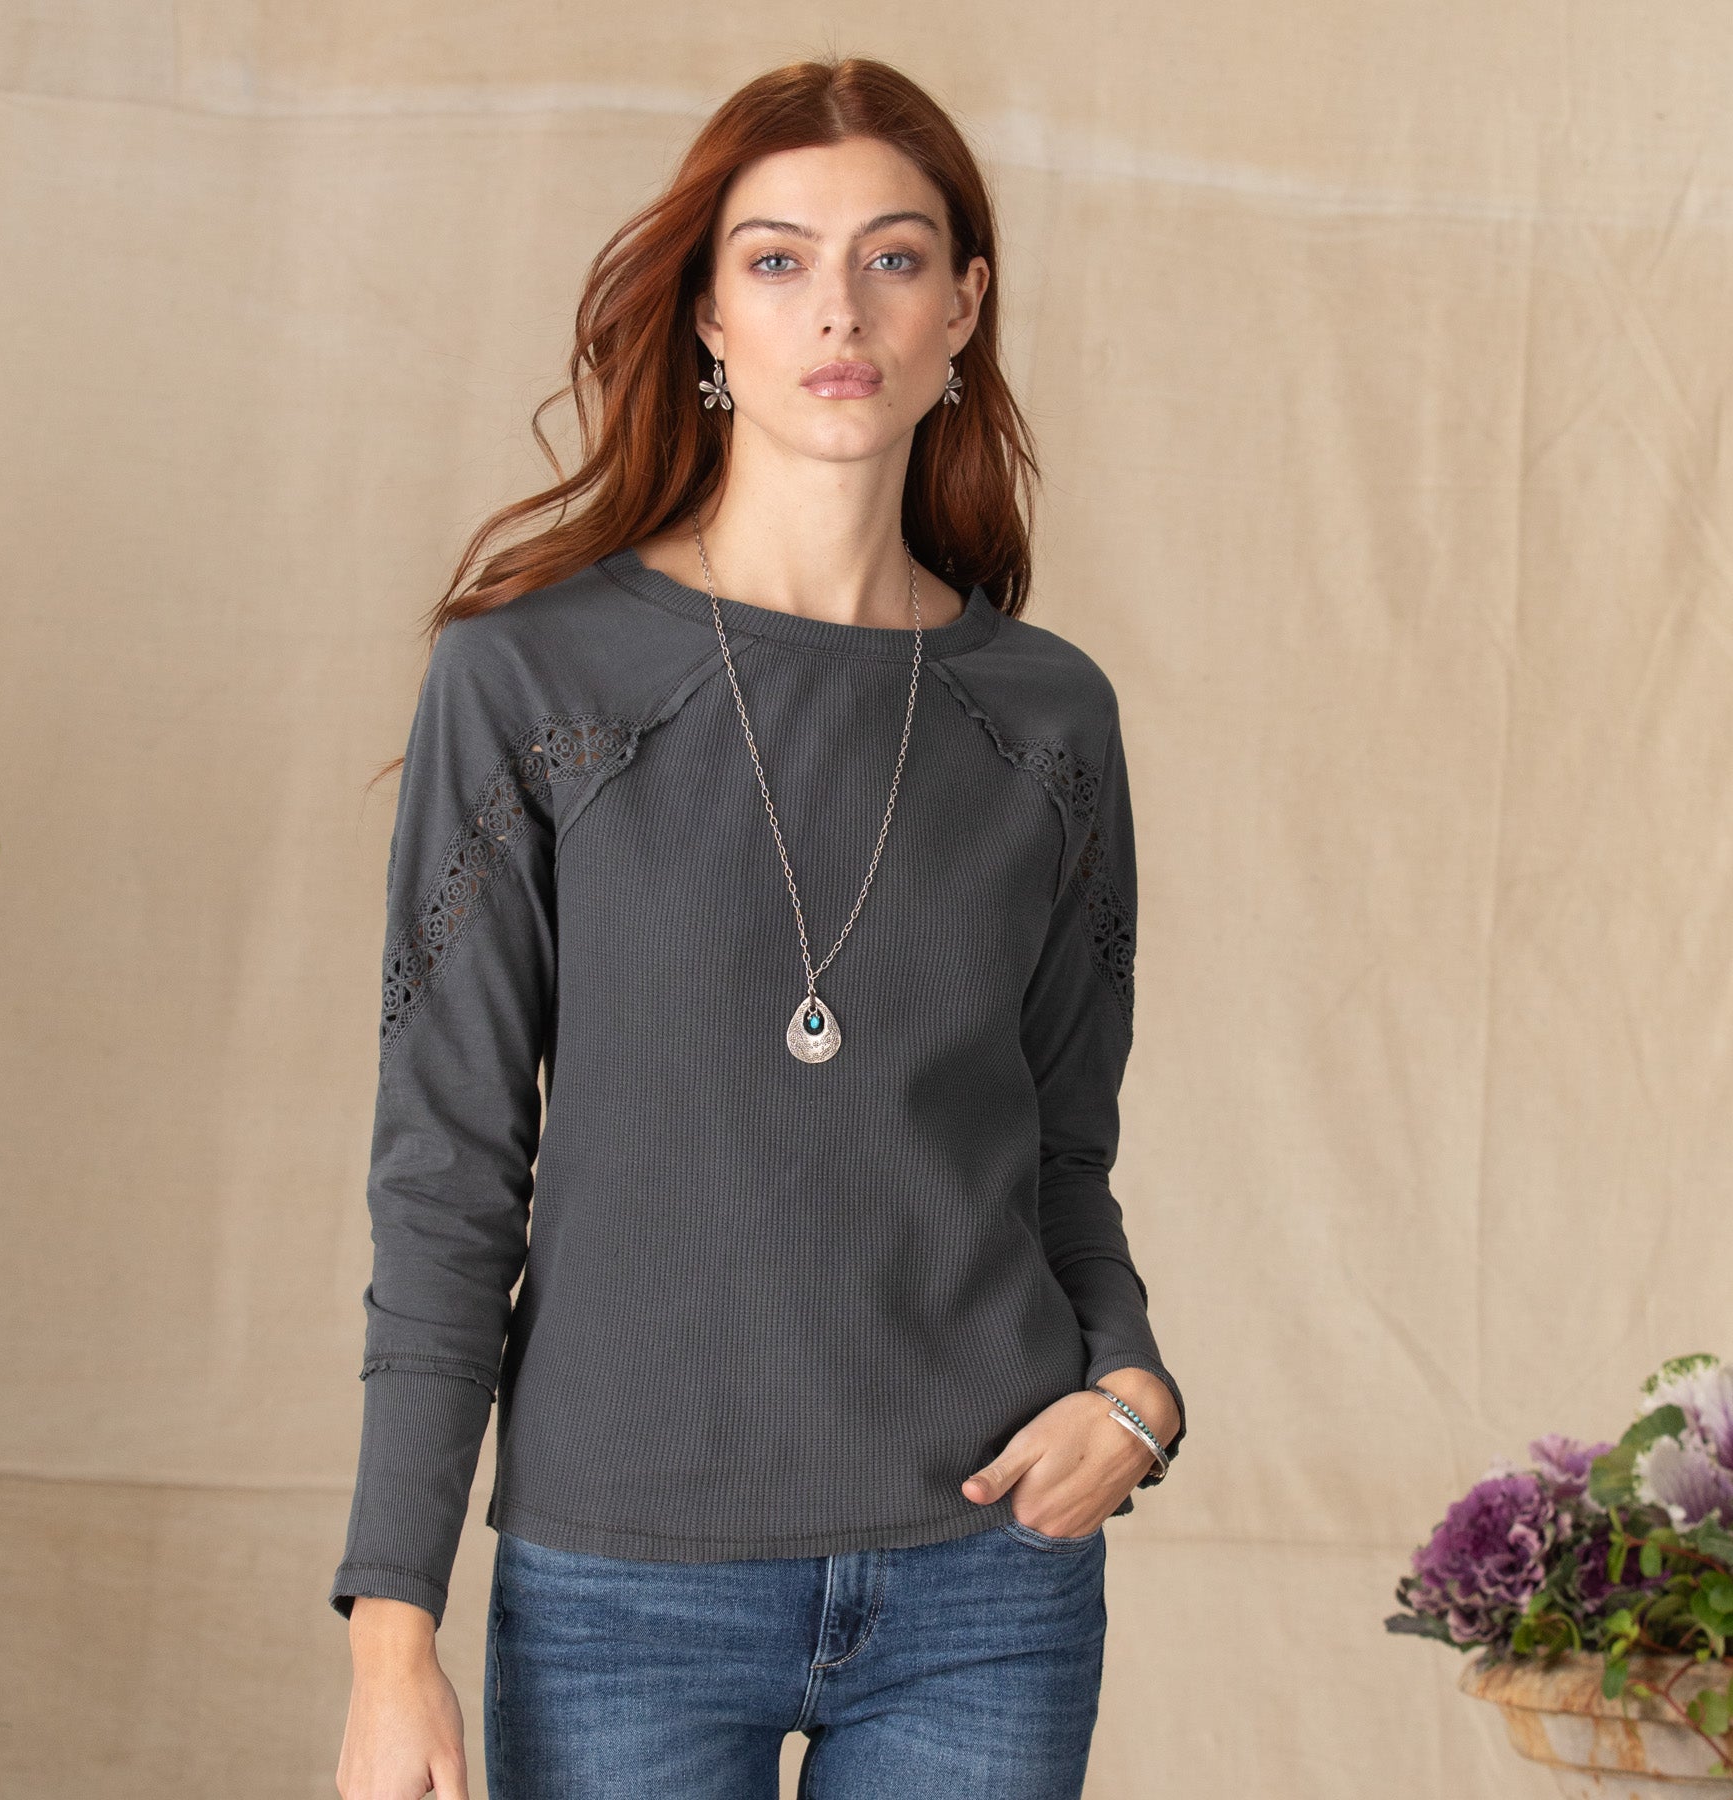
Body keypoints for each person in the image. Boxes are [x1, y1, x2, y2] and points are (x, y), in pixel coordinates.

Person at [330, 53, 1187, 1800]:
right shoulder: (531, 683)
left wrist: (1135, 1393)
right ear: (710, 317)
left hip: (989, 1579)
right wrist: (391, 1631)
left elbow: (1058, 1158)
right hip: (622, 1588)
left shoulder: (1049, 719)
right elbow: (449, 1175)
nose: (840, 310)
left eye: (894, 257)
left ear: (964, 309)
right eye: (780, 260)